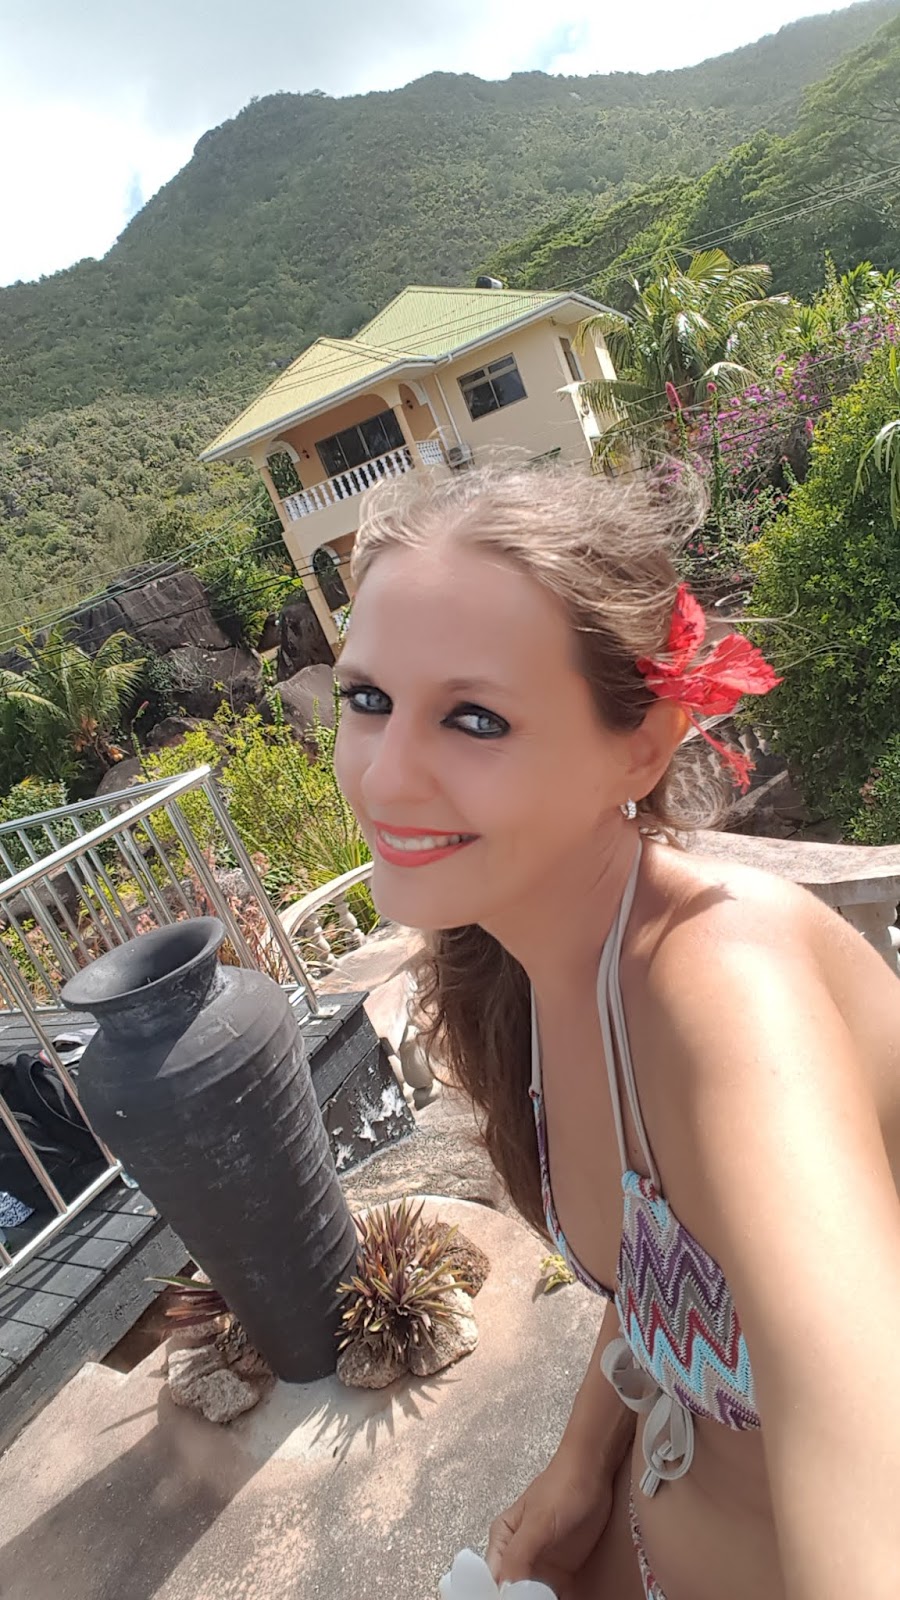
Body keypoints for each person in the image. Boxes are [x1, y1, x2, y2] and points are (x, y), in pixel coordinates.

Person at [332, 459, 900, 1600]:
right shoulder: (517, 963)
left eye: (475, 718)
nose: (386, 776)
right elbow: (668, 1261)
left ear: (641, 747)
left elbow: (867, 1452)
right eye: (368, 698)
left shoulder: (725, 988)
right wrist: (582, 1458)